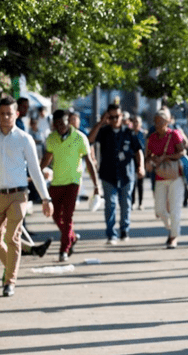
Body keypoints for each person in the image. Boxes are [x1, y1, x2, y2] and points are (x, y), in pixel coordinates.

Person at [0, 96, 53, 297]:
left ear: (16, 114)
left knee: (12, 236)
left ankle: (10, 282)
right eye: (1, 113)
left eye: (9, 113)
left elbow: (35, 171)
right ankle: (11, 266)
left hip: (18, 195)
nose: (5, 117)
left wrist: (45, 198)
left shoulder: (25, 139)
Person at [40, 110, 100, 262]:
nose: (61, 126)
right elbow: (46, 159)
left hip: (73, 182)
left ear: (69, 122)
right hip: (56, 182)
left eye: (64, 123)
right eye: (58, 124)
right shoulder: (51, 138)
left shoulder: (80, 138)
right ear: (54, 124)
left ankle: (63, 250)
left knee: (67, 217)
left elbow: (89, 162)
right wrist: (38, 173)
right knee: (54, 214)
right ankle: (71, 237)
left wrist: (96, 185)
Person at [88, 104, 144, 244]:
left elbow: (138, 151)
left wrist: (141, 166)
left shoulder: (129, 132)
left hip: (127, 174)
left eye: (117, 116)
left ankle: (124, 230)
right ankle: (111, 234)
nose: (114, 119)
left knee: (125, 204)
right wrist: (101, 122)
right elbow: (90, 139)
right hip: (108, 175)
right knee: (110, 205)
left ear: (121, 116)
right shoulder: (104, 131)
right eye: (111, 117)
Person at [145, 109, 186, 249]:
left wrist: (166, 157)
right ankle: (172, 228)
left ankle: (174, 237)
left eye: (160, 122)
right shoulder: (152, 137)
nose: (157, 125)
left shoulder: (174, 134)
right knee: (160, 210)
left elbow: (182, 152)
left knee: (175, 209)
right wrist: (150, 161)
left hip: (175, 176)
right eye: (156, 122)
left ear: (167, 122)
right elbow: (148, 155)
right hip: (160, 175)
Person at [130, 115, 147, 210]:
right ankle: (132, 202)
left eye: (138, 122)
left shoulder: (143, 134)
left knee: (140, 182)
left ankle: (140, 202)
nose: (136, 124)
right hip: (131, 159)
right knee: (132, 182)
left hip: (141, 159)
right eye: (134, 122)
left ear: (140, 124)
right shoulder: (130, 134)